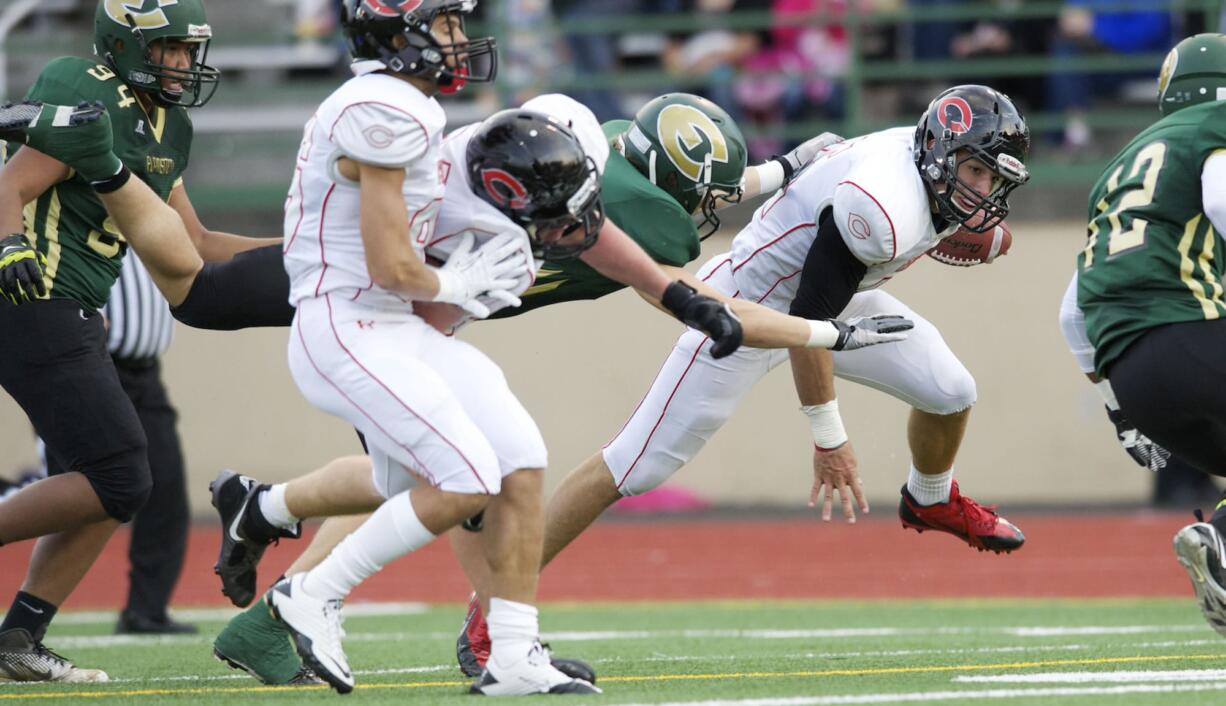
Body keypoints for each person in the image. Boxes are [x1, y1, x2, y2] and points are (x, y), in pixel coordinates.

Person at [208, 91, 913, 686]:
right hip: (369, 315)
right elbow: (684, 284)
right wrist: (825, 334)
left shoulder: (579, 158)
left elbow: (642, 232)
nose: (579, 214)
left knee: (465, 467)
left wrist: (783, 169)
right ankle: (347, 611)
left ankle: (268, 511)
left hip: (407, 325)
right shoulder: (532, 196)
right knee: (461, 480)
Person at [0, 0, 280, 682]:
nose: (183, 64)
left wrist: (312, 251)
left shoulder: (167, 124)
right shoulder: (85, 84)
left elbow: (198, 244)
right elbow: (7, 183)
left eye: (189, 50)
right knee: (121, 474)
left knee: (113, 484)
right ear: (122, 45)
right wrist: (8, 246)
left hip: (75, 310)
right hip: (32, 295)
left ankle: (17, 639)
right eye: (171, 49)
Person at [1072, 33, 1226, 638]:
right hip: (1190, 333)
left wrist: (1120, 407)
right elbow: (1220, 198)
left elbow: (1070, 310)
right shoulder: (1212, 134)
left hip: (1132, 377)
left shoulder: (1123, 165)